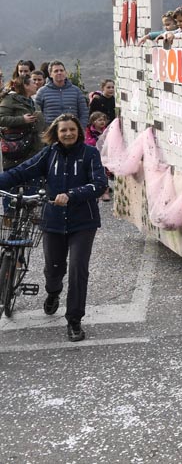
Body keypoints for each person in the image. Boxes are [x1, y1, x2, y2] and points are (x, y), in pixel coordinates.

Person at [0, 114, 107, 341]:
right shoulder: (49, 154)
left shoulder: (90, 154)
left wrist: (72, 195)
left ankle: (74, 321)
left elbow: (99, 184)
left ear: (78, 130)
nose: (68, 133)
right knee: (53, 270)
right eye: (63, 130)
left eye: (72, 129)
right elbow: (22, 171)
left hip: (83, 222)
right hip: (54, 222)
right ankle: (53, 293)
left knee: (79, 269)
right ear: (56, 134)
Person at [0, 76, 46, 170]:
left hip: (34, 150)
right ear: (25, 85)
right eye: (33, 82)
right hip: (16, 151)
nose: (36, 84)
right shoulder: (10, 99)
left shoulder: (33, 103)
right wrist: (22, 119)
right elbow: (1, 119)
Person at [34, 61, 89, 127]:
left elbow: (84, 113)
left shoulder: (76, 91)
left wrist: (81, 129)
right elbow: (37, 114)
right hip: (50, 132)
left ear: (65, 73)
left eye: (61, 70)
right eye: (56, 71)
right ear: (50, 74)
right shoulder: (42, 92)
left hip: (72, 131)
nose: (59, 73)